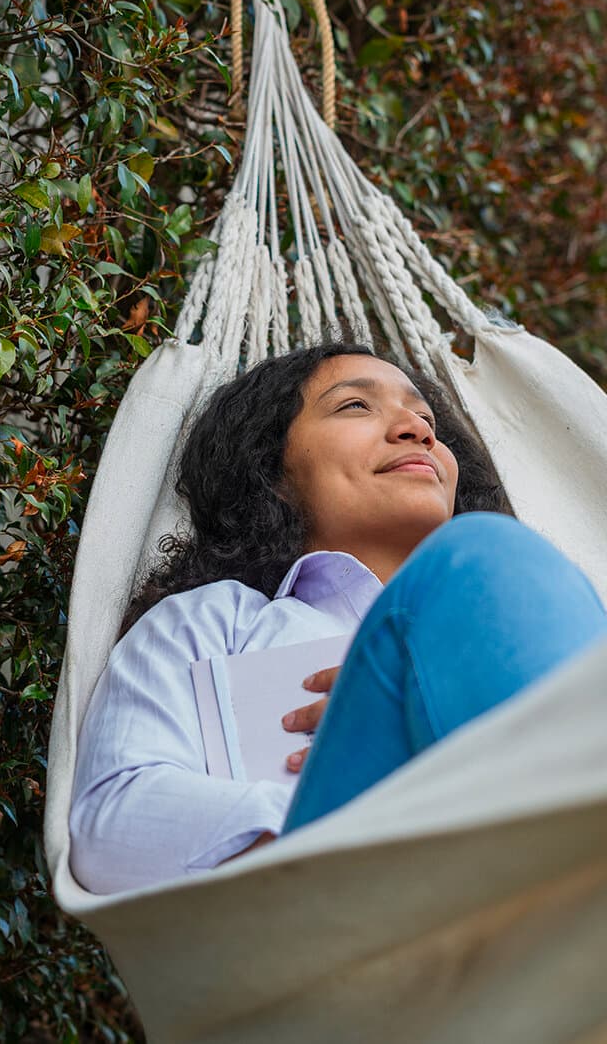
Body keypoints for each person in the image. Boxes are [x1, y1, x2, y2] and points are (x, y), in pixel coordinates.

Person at [69, 341, 607, 893]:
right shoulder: (212, 623)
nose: (418, 430)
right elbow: (113, 826)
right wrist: (380, 794)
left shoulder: (525, 606)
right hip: (365, 918)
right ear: (271, 468)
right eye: (355, 406)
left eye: (427, 419)